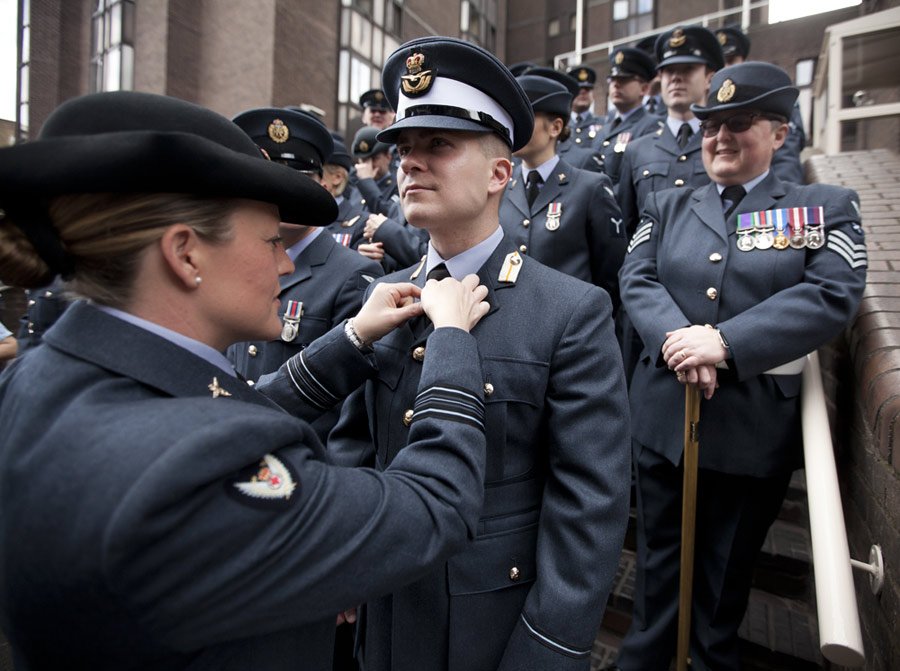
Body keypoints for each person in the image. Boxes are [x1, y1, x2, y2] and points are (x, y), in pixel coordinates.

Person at [0, 90, 495, 670]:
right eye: (270, 242)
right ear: (185, 255)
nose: (286, 265)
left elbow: (221, 404)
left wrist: (352, 337)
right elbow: (435, 508)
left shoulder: (37, 376)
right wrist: (452, 342)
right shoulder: (196, 469)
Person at [287, 36, 631, 671]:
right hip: (387, 610)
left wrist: (550, 647)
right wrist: (347, 563)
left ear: (501, 173)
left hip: (492, 624)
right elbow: (355, 447)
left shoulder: (568, 311)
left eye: (438, 146)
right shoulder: (382, 300)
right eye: (404, 148)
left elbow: (590, 503)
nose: (409, 163)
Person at [612, 62, 867, 671]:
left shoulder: (821, 206)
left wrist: (723, 343)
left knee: (722, 586)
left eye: (739, 124)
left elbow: (830, 295)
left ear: (780, 134)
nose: (720, 138)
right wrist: (682, 341)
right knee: (657, 573)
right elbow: (637, 278)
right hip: (664, 423)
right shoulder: (666, 204)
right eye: (710, 127)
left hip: (750, 433)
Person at [226, 107, 383, 443]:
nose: (284, 192)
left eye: (299, 179)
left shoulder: (354, 274)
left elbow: (350, 413)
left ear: (322, 185)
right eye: (271, 179)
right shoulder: (231, 264)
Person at [499, 71, 626, 311]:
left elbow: (611, 274)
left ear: (555, 127)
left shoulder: (590, 187)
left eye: (526, 118)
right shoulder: (503, 186)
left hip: (571, 326)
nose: (515, 127)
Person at [616, 26, 724, 238]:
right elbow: (627, 227)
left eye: (687, 69)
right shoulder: (638, 150)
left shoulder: (724, 143)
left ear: (709, 79)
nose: (676, 78)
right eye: (669, 71)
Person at [716, 25, 806, 183]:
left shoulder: (769, 96)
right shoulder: (701, 103)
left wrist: (784, 204)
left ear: (743, 60)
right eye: (720, 63)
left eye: (731, 60)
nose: (725, 68)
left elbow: (786, 159)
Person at [593, 47, 662, 184]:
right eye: (613, 80)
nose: (616, 85)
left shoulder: (652, 127)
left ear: (644, 88)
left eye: (624, 80)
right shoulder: (602, 131)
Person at [351, 126, 398, 217]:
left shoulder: (398, 186)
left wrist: (367, 181)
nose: (369, 166)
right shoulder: (354, 183)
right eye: (364, 160)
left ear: (388, 157)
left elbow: (389, 214)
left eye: (375, 159)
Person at [566, 65, 605, 146]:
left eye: (587, 90)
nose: (583, 93)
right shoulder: (562, 124)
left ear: (593, 95)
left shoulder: (604, 123)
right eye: (578, 90)